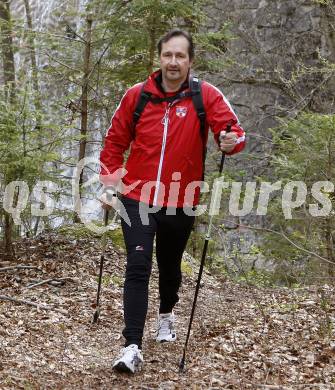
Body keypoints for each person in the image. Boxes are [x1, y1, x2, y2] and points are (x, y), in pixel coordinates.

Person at [99, 29, 245, 373]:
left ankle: (166, 313)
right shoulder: (137, 96)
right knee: (137, 266)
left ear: (190, 61)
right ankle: (131, 346)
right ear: (159, 58)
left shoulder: (204, 95)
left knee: (169, 265)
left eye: (180, 56)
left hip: (182, 198)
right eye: (168, 55)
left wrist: (230, 142)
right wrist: (110, 183)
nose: (174, 62)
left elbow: (235, 132)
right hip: (136, 196)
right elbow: (113, 142)